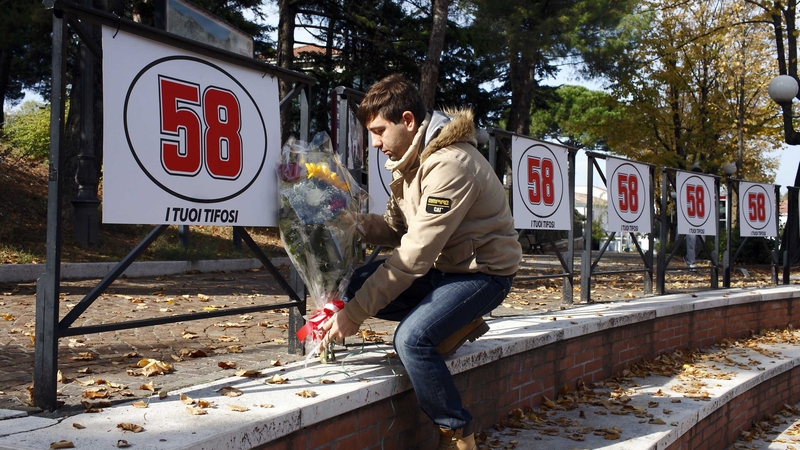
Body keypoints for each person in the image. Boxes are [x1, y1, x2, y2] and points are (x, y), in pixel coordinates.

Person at [320, 74, 522, 450]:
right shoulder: (409, 160)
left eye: (380, 131)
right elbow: (397, 228)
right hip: (444, 269)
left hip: (483, 275)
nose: (375, 142)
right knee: (353, 285)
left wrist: (356, 313)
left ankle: (458, 433)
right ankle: (451, 324)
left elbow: (414, 254)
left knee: (411, 341)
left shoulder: (451, 165)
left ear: (408, 121)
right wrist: (350, 220)